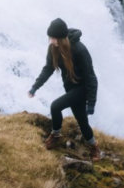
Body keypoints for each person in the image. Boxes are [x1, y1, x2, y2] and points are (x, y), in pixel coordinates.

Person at [28, 17, 100, 160]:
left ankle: (55, 136)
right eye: (50, 38)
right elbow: (48, 69)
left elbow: (91, 77)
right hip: (70, 89)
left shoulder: (79, 49)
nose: (51, 41)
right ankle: (94, 147)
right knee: (82, 122)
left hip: (82, 89)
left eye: (53, 38)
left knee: (55, 106)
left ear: (61, 38)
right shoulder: (54, 49)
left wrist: (91, 103)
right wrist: (35, 87)